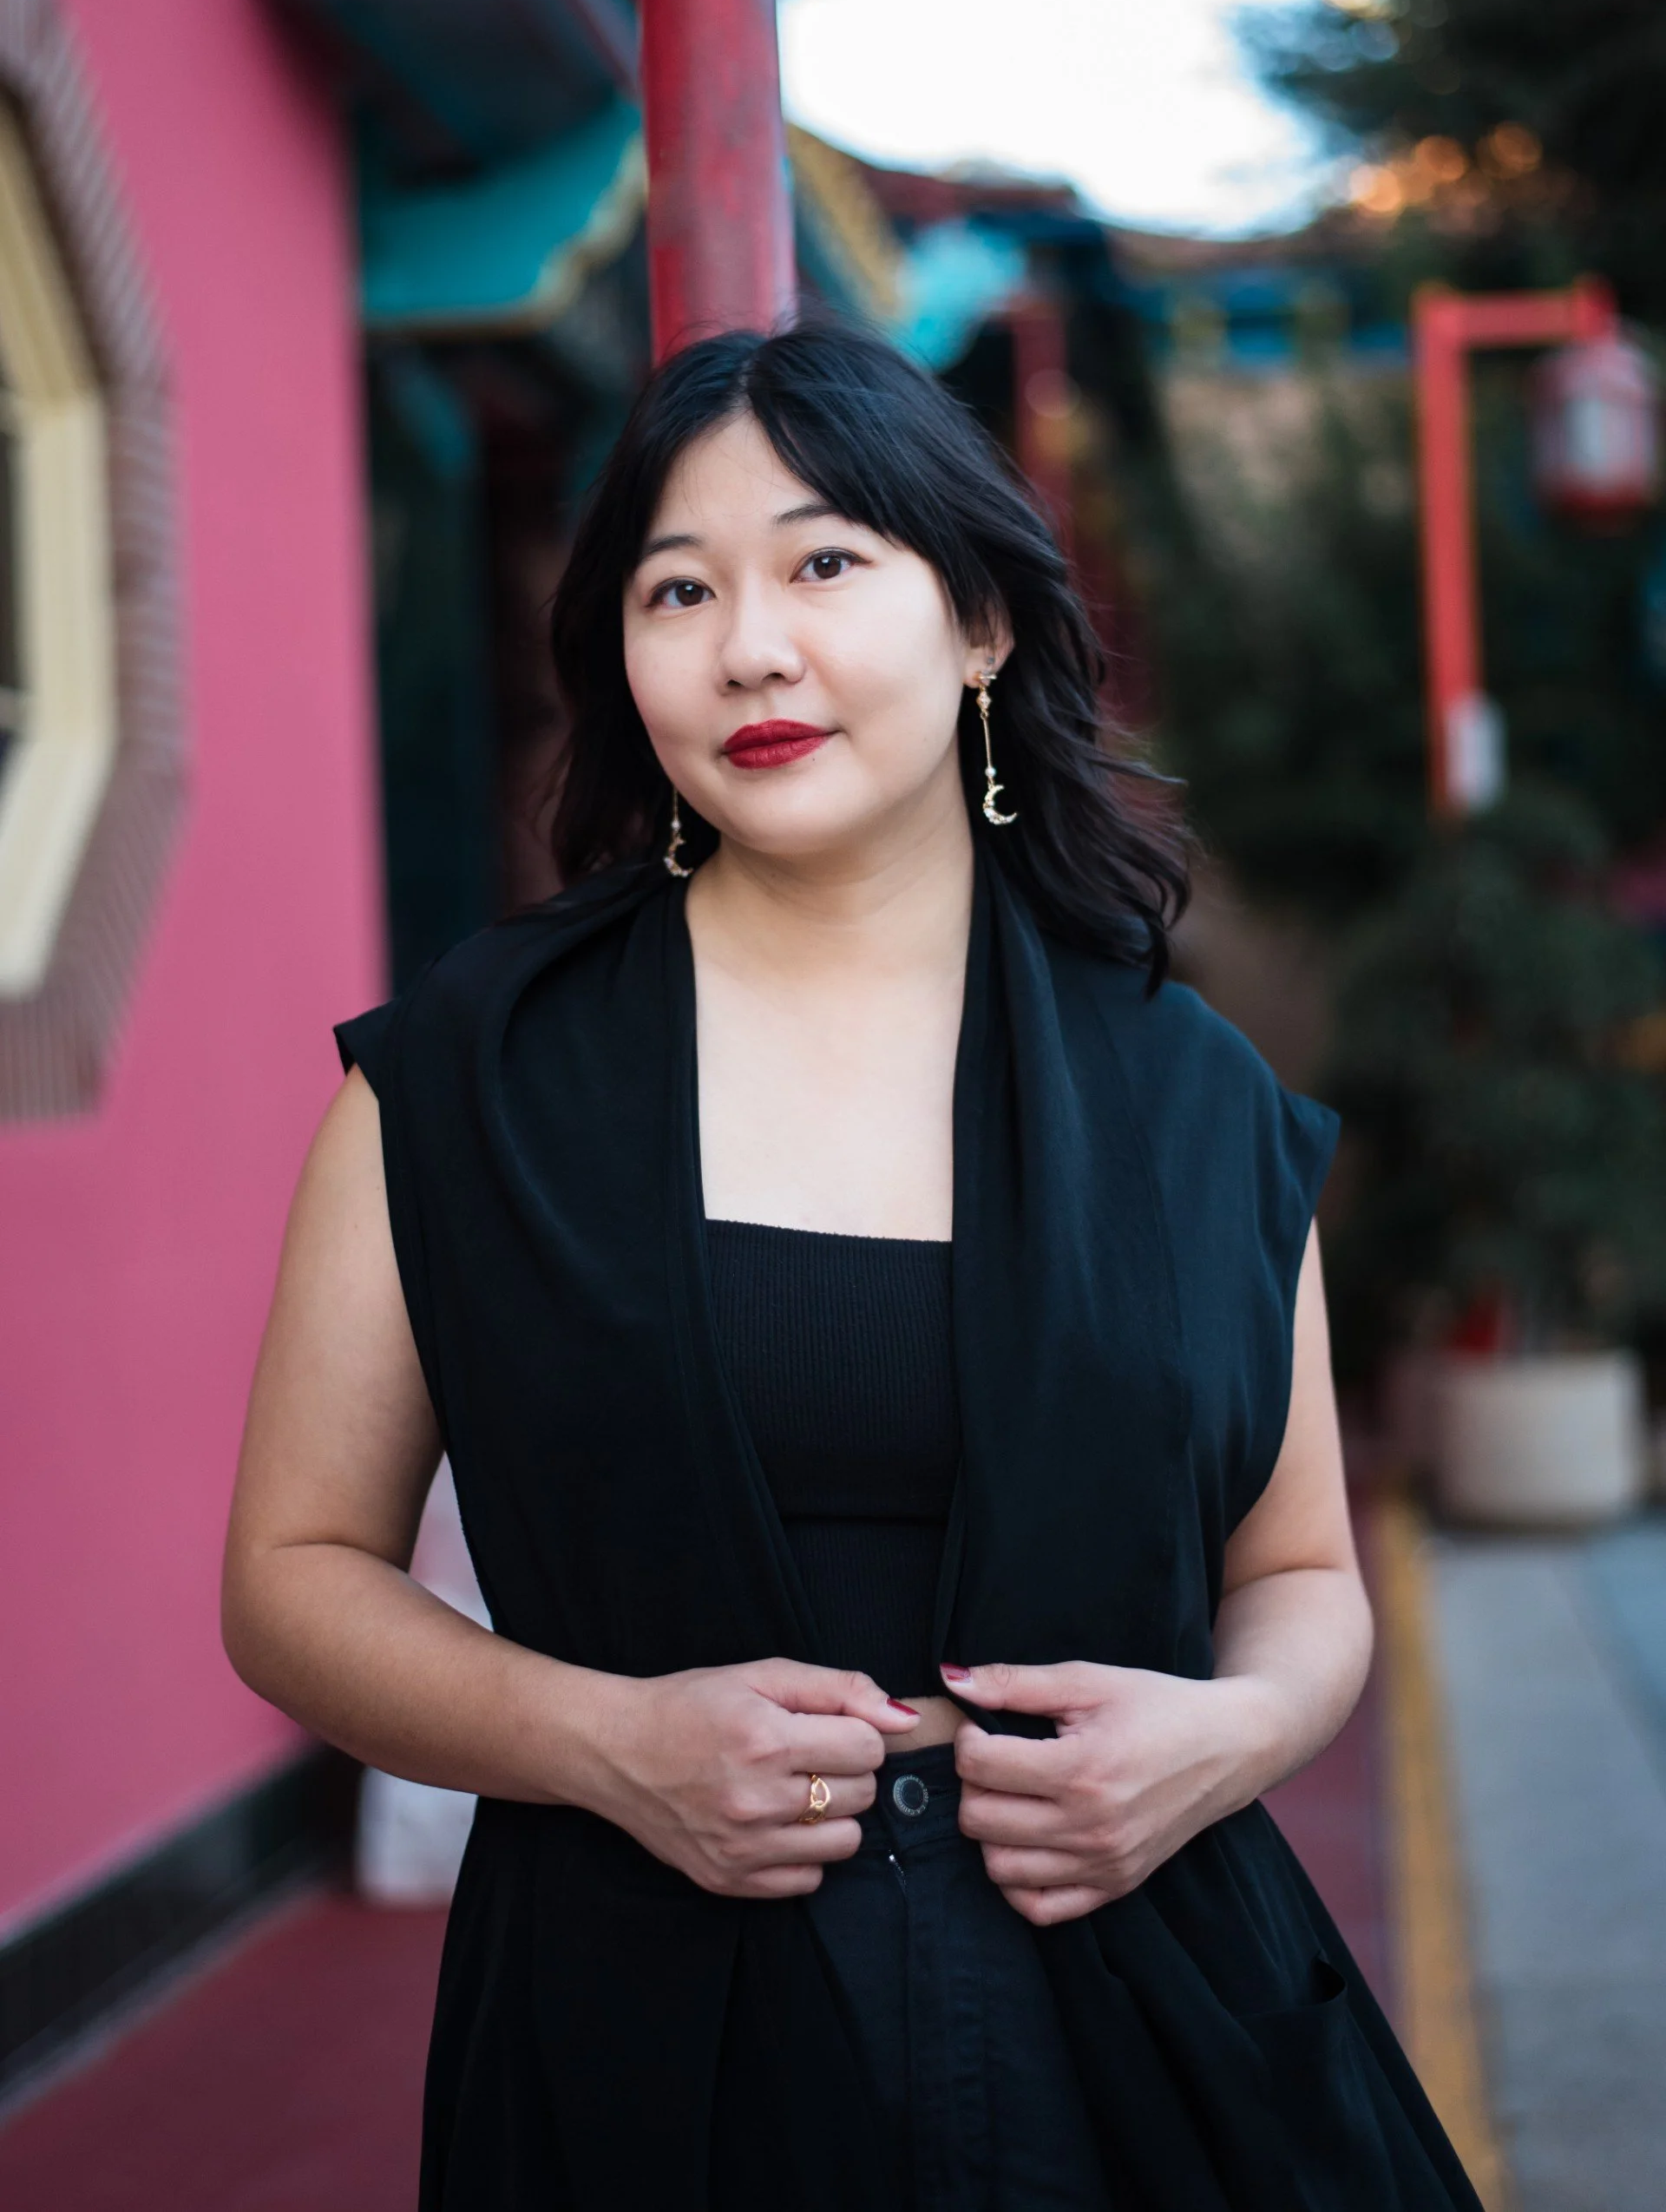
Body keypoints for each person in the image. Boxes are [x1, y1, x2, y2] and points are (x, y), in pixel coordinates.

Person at [223, 323, 1481, 2212]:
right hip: (644, 2059)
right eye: (678, 586)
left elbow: (1299, 1573)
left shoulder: (1190, 1098)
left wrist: (1222, 1739)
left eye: (825, 562)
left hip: (1151, 2039)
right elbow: (293, 1576)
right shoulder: (467, 1079)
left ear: (981, 623)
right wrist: (607, 1738)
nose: (749, 645)